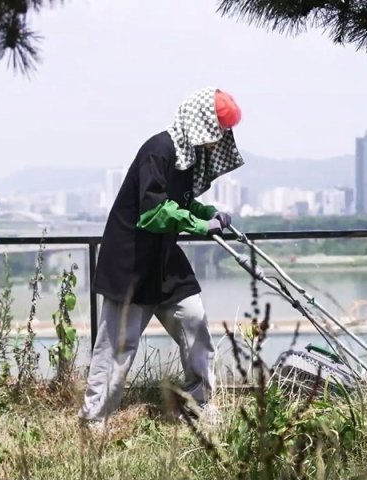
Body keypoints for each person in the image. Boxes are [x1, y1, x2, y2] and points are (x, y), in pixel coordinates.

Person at [78, 86, 244, 429]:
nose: (219, 140)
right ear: (199, 124)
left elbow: (181, 202)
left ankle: (197, 404)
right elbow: (154, 212)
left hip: (165, 259)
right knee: (118, 345)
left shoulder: (188, 157)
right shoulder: (159, 151)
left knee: (194, 321)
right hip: (132, 262)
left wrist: (208, 211)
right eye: (217, 132)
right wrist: (200, 224)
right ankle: (95, 419)